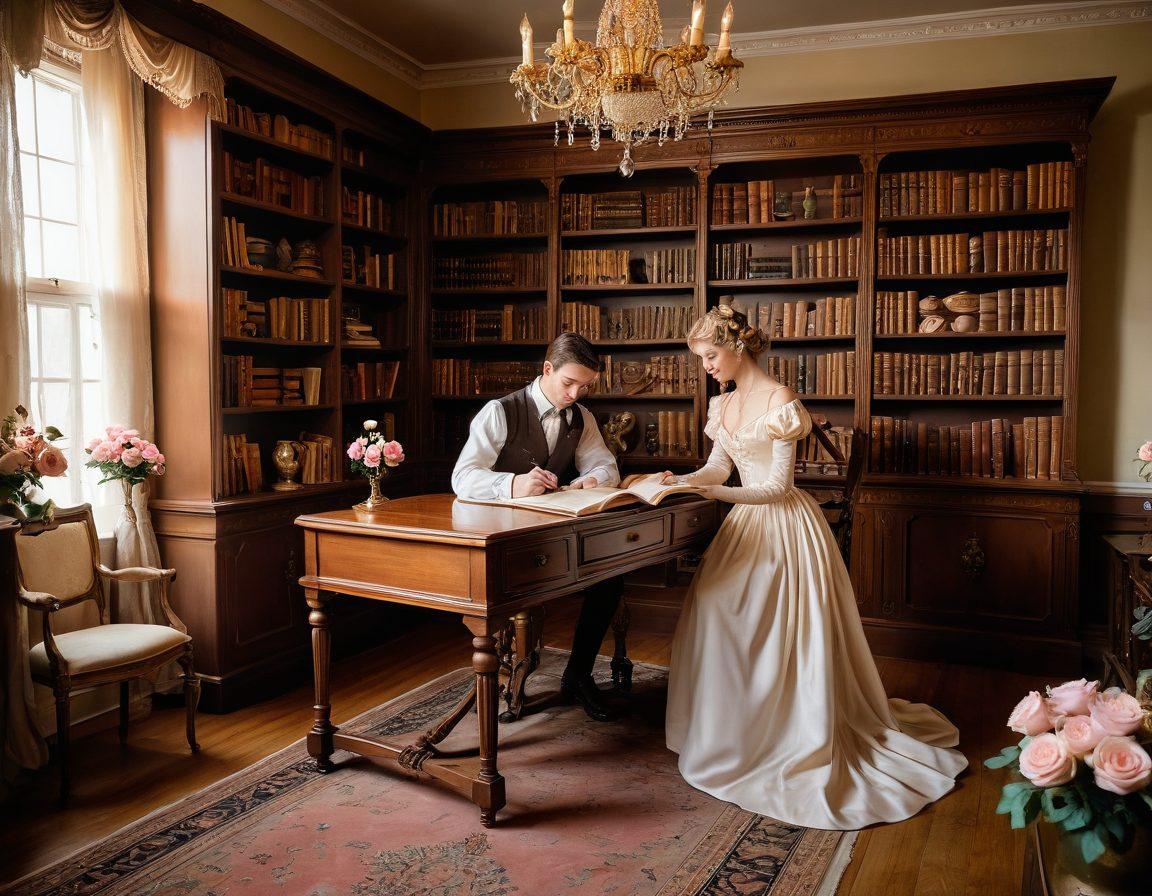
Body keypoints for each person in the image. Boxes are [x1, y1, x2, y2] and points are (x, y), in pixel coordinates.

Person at [661, 305, 967, 829]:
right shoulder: (723, 403)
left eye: (711, 356)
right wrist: (683, 480)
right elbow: (718, 463)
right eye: (703, 359)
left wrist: (713, 492)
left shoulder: (781, 400)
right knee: (715, 610)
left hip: (782, 526)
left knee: (772, 630)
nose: (707, 367)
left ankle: (785, 731)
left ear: (737, 348)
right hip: (744, 524)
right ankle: (730, 731)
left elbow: (777, 486)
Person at [452, 332, 623, 722]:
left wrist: (591, 480)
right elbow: (462, 477)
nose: (576, 394)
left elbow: (605, 464)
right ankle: (507, 681)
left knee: (610, 578)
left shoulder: (582, 417)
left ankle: (578, 675)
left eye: (585, 386)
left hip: (555, 527)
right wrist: (512, 484)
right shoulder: (500, 411)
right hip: (501, 534)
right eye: (569, 383)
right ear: (547, 369)